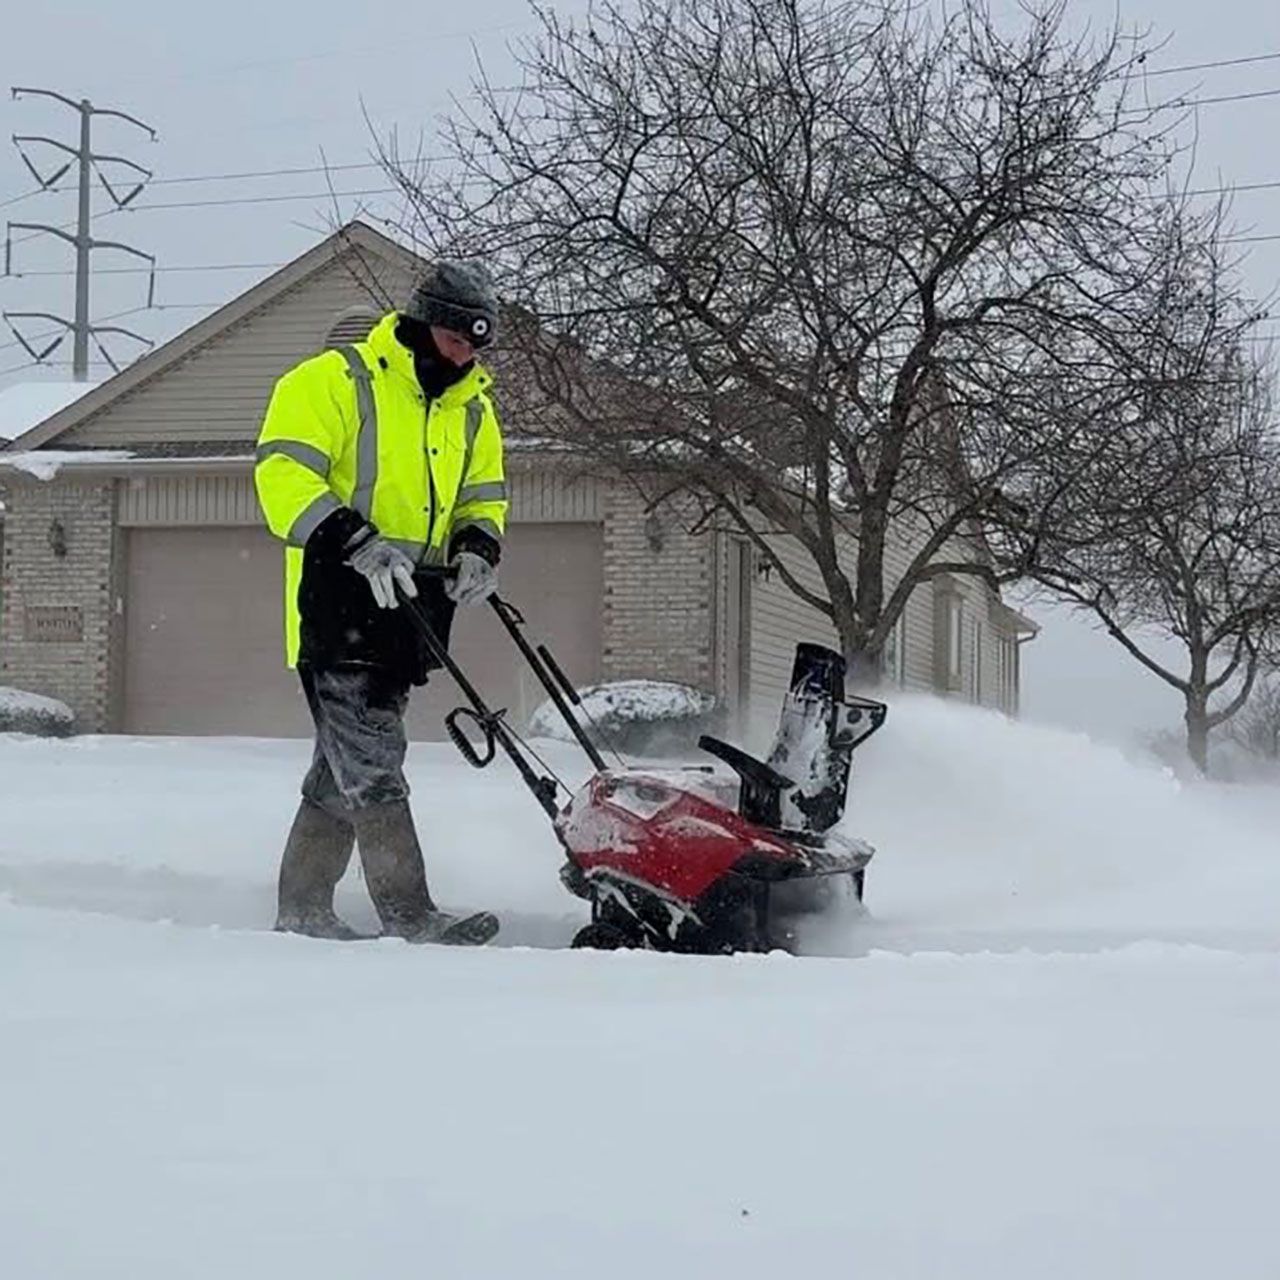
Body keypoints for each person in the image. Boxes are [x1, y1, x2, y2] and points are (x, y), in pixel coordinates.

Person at [254, 261, 507, 944]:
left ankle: (302, 910)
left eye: (478, 345)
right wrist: (355, 541)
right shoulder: (333, 382)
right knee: (372, 759)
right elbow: (282, 473)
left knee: (340, 770)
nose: (468, 355)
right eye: (459, 340)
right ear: (426, 326)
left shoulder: (472, 407)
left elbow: (483, 494)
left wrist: (479, 549)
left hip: (416, 609)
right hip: (338, 602)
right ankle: (410, 911)